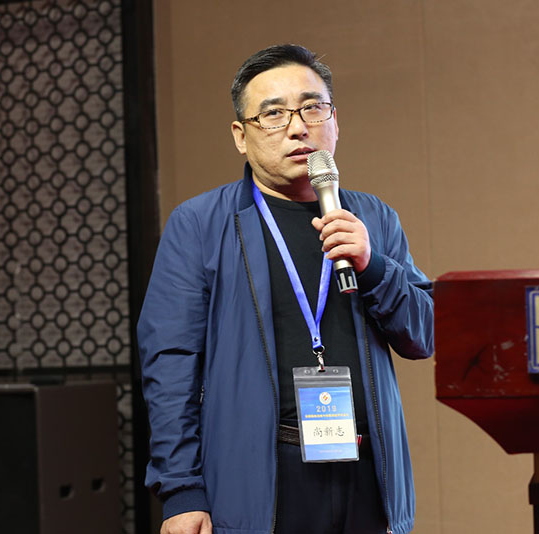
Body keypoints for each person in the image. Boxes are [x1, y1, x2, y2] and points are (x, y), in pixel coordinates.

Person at [138, 44, 434, 534]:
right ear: (241, 136)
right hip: (262, 478)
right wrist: (181, 490)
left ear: (335, 121)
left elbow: (423, 335)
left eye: (312, 108)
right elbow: (170, 365)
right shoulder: (200, 224)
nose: (298, 128)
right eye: (273, 114)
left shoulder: (373, 218)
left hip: (365, 471)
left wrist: (373, 266)